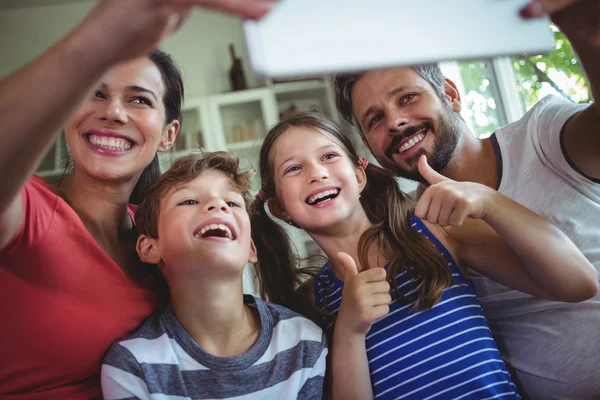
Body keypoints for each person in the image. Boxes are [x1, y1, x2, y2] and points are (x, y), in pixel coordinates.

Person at [0, 1, 275, 398]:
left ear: (168, 134)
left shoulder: (165, 231)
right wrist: (97, 39)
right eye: (94, 93)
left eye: (139, 99)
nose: (112, 112)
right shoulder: (27, 209)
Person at [332, 0, 599, 397]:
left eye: (406, 98)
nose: (395, 122)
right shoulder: (419, 236)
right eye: (374, 119)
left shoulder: (544, 135)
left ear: (451, 95)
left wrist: (585, 32)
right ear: (370, 151)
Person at [250, 110, 597, 400]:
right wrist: (349, 331)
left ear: (358, 176)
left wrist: (489, 201)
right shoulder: (312, 302)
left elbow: (578, 283)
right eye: (293, 169)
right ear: (281, 208)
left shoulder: (435, 231)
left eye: (328, 156)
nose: (317, 173)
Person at [101, 152, 327, 400]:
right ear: (150, 247)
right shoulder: (131, 366)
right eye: (188, 201)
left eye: (231, 203)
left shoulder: (304, 341)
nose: (218, 205)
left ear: (251, 249)